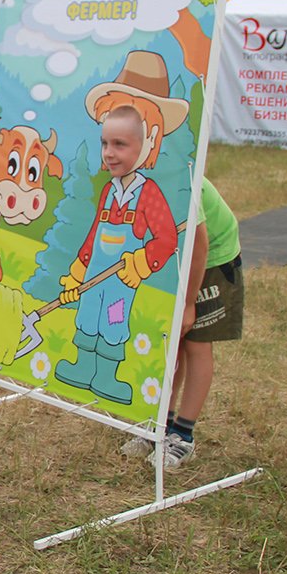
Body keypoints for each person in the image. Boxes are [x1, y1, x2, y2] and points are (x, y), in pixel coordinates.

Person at [55, 52, 185, 405]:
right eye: (105, 144)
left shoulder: (149, 193)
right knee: (87, 319)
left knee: (113, 324)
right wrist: (78, 272)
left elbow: (167, 238)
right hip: (95, 275)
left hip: (119, 283)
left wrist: (143, 263)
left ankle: (108, 377)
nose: (109, 154)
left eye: (120, 145)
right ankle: (83, 368)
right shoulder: (108, 191)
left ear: (147, 145)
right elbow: (93, 235)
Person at [122, 177, 243, 468]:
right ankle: (161, 424)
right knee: (170, 342)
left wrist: (189, 303)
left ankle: (183, 436)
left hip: (211, 259)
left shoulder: (182, 179)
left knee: (197, 344)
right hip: (174, 257)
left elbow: (199, 244)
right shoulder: (138, 175)